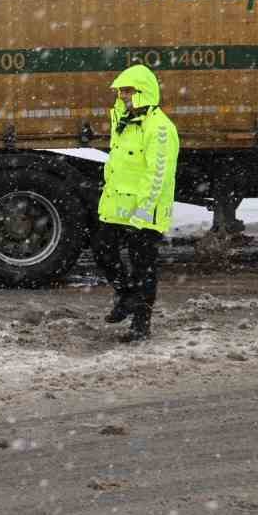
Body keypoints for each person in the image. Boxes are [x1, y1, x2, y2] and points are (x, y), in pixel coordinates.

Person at [93, 63, 179, 343]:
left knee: (144, 266)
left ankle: (141, 323)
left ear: (144, 92)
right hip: (118, 208)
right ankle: (126, 295)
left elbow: (158, 176)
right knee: (103, 250)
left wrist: (141, 216)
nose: (123, 96)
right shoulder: (124, 123)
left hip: (145, 212)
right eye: (121, 92)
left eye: (128, 91)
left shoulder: (160, 128)